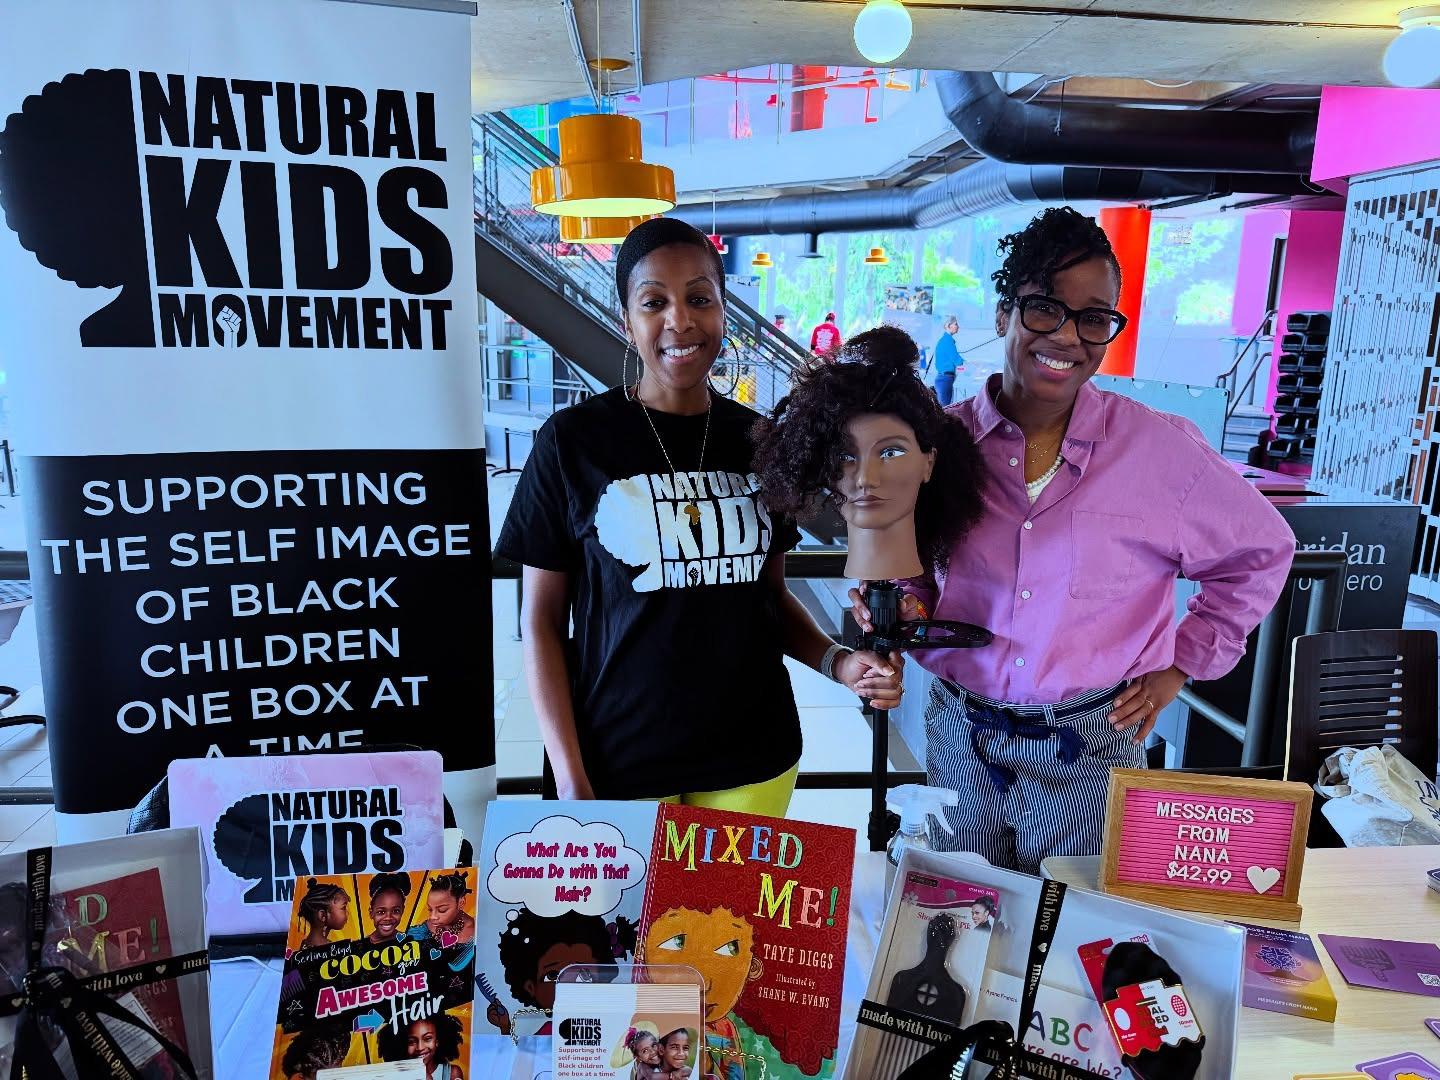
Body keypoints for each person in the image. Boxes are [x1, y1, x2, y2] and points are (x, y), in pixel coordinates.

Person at [851, 207, 1295, 875]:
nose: (1068, 335)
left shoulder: (1159, 451)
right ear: (1003, 313)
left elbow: (1261, 551)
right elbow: (907, 569)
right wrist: (901, 609)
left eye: (1094, 318)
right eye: (1044, 309)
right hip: (961, 734)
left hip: (1095, 740)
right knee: (954, 918)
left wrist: (1183, 663)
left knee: (1073, 930)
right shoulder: (935, 443)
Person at [495, 217, 901, 812]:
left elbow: (770, 599)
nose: (679, 322)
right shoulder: (573, 443)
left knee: (727, 912)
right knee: (627, 912)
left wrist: (840, 663)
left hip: (752, 757)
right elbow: (543, 625)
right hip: (618, 762)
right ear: (625, 318)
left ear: (722, 310)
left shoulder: (762, 442)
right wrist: (571, 778)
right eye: (654, 302)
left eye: (699, 299)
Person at [377, 1014, 466, 1080]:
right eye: (411, 1042)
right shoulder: (397, 1076)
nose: (420, 1048)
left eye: (427, 1039)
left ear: (437, 1041)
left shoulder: (451, 1073)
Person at [296, 878, 350, 951]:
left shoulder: (306, 945)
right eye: (343, 908)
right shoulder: (327, 950)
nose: (347, 913)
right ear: (322, 915)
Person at [366, 873, 411, 944]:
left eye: (395, 911)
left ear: (402, 910)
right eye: (381, 912)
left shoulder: (409, 942)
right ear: (371, 913)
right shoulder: (362, 945)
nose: (388, 918)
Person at [931, 315, 963, 406]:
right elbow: (957, 361)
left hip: (943, 379)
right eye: (955, 324)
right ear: (948, 325)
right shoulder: (947, 341)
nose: (958, 326)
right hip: (945, 379)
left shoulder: (944, 340)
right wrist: (968, 367)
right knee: (945, 410)